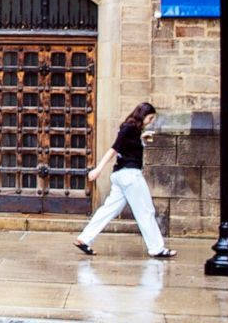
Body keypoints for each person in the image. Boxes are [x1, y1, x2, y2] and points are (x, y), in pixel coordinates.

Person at [74, 102, 176, 258]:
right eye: (150, 117)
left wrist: (141, 137)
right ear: (143, 115)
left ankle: (84, 239)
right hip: (130, 175)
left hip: (121, 176)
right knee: (146, 211)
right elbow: (114, 149)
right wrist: (98, 170)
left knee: (109, 210)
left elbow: (126, 147)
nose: (151, 121)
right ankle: (157, 248)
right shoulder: (129, 129)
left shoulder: (132, 129)